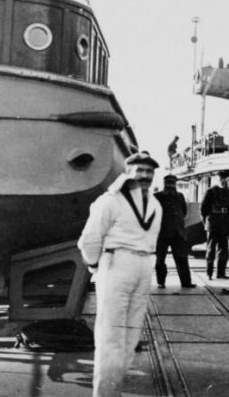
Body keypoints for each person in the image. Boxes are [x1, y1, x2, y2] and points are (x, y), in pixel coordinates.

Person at [77, 151, 162, 397]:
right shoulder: (110, 201)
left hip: (144, 266)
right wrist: (96, 266)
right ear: (128, 172)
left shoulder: (154, 204)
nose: (145, 176)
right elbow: (89, 240)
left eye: (149, 172)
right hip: (116, 264)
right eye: (140, 171)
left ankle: (113, 389)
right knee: (111, 336)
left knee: (131, 337)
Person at [153, 174, 195, 290]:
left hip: (178, 233)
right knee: (160, 260)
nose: (170, 185)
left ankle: (186, 282)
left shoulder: (180, 196)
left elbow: (184, 212)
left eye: (172, 183)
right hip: (162, 233)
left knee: (182, 259)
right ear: (164, 183)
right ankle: (161, 281)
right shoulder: (157, 196)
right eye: (168, 183)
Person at [200, 171, 229, 279]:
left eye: (224, 179)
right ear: (216, 179)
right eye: (220, 178)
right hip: (213, 223)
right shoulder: (210, 191)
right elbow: (203, 209)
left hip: (224, 224)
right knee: (211, 250)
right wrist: (206, 223)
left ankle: (220, 273)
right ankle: (209, 273)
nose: (223, 181)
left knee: (224, 250)